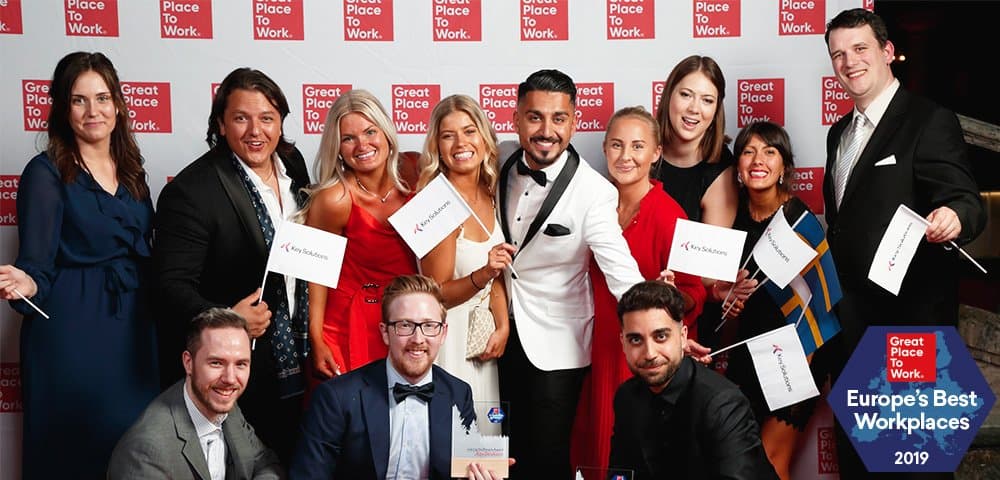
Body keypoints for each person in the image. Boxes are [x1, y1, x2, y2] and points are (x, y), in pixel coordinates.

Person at [823, 9, 985, 478]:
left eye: (860, 48)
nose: (849, 62)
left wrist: (954, 217)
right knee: (858, 465)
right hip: (851, 333)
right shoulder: (839, 133)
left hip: (909, 332)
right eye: (838, 54)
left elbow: (966, 200)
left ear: (887, 51)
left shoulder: (927, 120)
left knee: (916, 468)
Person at [0, 51, 159, 479]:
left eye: (102, 98)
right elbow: (37, 264)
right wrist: (26, 283)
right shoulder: (46, 173)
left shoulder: (132, 171)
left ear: (118, 105)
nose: (93, 111)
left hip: (133, 331)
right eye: (79, 100)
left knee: (135, 450)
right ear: (62, 108)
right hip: (71, 330)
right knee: (74, 451)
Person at [153, 67, 310, 465]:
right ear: (221, 125)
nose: (256, 131)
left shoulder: (294, 166)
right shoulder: (191, 191)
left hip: (303, 360)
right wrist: (229, 320)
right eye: (241, 118)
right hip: (239, 376)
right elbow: (169, 286)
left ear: (281, 123)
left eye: (267, 118)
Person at [497, 69, 645, 478]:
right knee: (499, 453)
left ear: (575, 122)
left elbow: (621, 270)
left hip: (557, 343)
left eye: (558, 119)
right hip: (496, 335)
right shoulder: (499, 157)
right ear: (516, 119)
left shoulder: (595, 192)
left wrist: (658, 324)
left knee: (547, 460)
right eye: (535, 117)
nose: (546, 131)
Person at [570, 106, 707, 472]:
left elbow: (694, 293)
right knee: (592, 456)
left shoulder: (669, 214)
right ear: (604, 148)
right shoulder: (594, 204)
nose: (625, 156)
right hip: (595, 349)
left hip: (641, 357)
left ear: (656, 153)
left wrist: (668, 296)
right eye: (616, 145)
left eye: (637, 146)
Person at [717, 121, 831, 480]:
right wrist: (729, 301)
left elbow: (821, 303)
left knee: (771, 458)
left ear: (784, 166)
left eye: (769, 152)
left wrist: (801, 368)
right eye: (748, 152)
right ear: (738, 166)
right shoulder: (732, 219)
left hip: (796, 352)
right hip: (749, 348)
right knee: (741, 459)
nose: (758, 160)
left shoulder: (799, 221)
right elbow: (727, 298)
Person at [290, 274, 476, 479]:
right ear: (385, 332)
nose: (418, 339)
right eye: (405, 325)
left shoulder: (459, 394)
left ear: (443, 333)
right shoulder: (336, 397)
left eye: (429, 325)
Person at [296, 90, 418, 385]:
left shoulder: (416, 172)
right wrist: (317, 339)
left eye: (370, 132)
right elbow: (316, 276)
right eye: (348, 138)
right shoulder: (333, 199)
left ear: (386, 132)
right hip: (350, 328)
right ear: (337, 147)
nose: (362, 145)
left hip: (408, 320)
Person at [608, 280, 778, 480]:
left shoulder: (722, 404)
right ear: (623, 343)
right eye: (636, 340)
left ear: (683, 337)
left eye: (660, 337)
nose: (650, 353)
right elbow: (620, 475)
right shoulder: (626, 397)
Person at [417, 94, 515, 416]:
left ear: (484, 137)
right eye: (448, 135)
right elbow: (436, 294)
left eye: (469, 131)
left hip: (481, 340)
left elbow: (496, 273)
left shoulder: (490, 192)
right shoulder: (436, 203)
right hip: (449, 341)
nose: (461, 143)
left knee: (484, 435)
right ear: (437, 146)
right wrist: (484, 273)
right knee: (455, 433)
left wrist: (502, 326)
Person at [108, 308, 283, 479]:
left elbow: (266, 463)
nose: (230, 379)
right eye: (216, 363)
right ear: (188, 363)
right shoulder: (145, 452)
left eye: (241, 364)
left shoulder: (225, 402)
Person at [652, 54, 740, 352]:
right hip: (636, 304)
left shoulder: (721, 168)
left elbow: (708, 273)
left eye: (707, 100)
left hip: (691, 318)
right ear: (669, 96)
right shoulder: (642, 148)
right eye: (686, 95)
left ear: (716, 109)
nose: (694, 108)